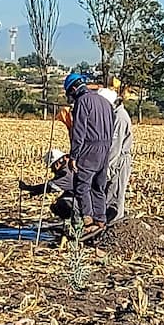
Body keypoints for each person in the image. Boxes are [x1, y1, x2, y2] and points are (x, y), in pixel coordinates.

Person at [63, 73, 114, 236]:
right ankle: (101, 219)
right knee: (98, 186)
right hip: (105, 149)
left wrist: (73, 156)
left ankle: (89, 221)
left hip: (89, 149)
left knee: (82, 186)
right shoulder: (105, 102)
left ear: (73, 89)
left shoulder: (82, 101)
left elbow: (79, 131)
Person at [97, 88, 133, 224]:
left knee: (114, 194)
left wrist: (107, 172)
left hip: (119, 160)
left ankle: (114, 226)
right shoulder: (113, 115)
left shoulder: (120, 118)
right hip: (114, 158)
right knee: (108, 195)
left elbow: (114, 148)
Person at [19, 149, 77, 220]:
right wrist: (35, 192)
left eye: (52, 166)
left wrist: (27, 188)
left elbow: (49, 187)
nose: (52, 170)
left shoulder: (66, 172)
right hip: (84, 196)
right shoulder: (72, 165)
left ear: (58, 162)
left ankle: (75, 223)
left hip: (85, 200)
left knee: (60, 205)